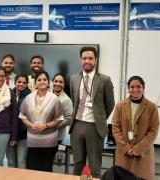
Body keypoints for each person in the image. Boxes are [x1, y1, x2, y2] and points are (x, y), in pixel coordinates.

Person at [69, 47, 115, 178]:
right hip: (77, 125)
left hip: (95, 127)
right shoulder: (74, 79)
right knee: (77, 163)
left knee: (95, 166)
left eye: (90, 58)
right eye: (84, 58)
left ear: (96, 60)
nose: (87, 61)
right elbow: (74, 101)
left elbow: (110, 104)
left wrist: (100, 117)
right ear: (80, 60)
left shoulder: (104, 80)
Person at [112, 76, 159, 180]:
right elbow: (115, 128)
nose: (135, 89)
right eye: (132, 87)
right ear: (128, 89)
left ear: (143, 88)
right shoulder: (120, 106)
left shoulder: (152, 107)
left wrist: (138, 149)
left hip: (143, 155)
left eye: (139, 86)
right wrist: (126, 148)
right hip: (124, 154)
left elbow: (153, 131)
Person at [19, 70, 64, 172]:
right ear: (35, 83)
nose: (42, 81)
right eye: (39, 80)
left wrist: (46, 126)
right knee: (32, 168)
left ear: (48, 82)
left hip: (49, 141)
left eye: (44, 79)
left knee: (46, 168)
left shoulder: (54, 99)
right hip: (32, 140)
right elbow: (22, 116)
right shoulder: (29, 98)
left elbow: (59, 119)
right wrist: (31, 125)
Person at [6, 74, 31, 168]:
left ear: (27, 84)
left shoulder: (31, 96)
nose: (21, 84)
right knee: (11, 161)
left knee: (21, 161)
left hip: (23, 134)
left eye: (24, 82)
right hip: (9, 133)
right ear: (15, 82)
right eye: (19, 82)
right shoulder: (7, 94)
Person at [52, 73, 73, 143]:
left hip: (56, 137)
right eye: (56, 81)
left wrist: (53, 127)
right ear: (52, 82)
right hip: (44, 135)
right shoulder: (48, 95)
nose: (57, 84)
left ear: (64, 85)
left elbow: (68, 119)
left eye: (61, 82)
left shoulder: (66, 100)